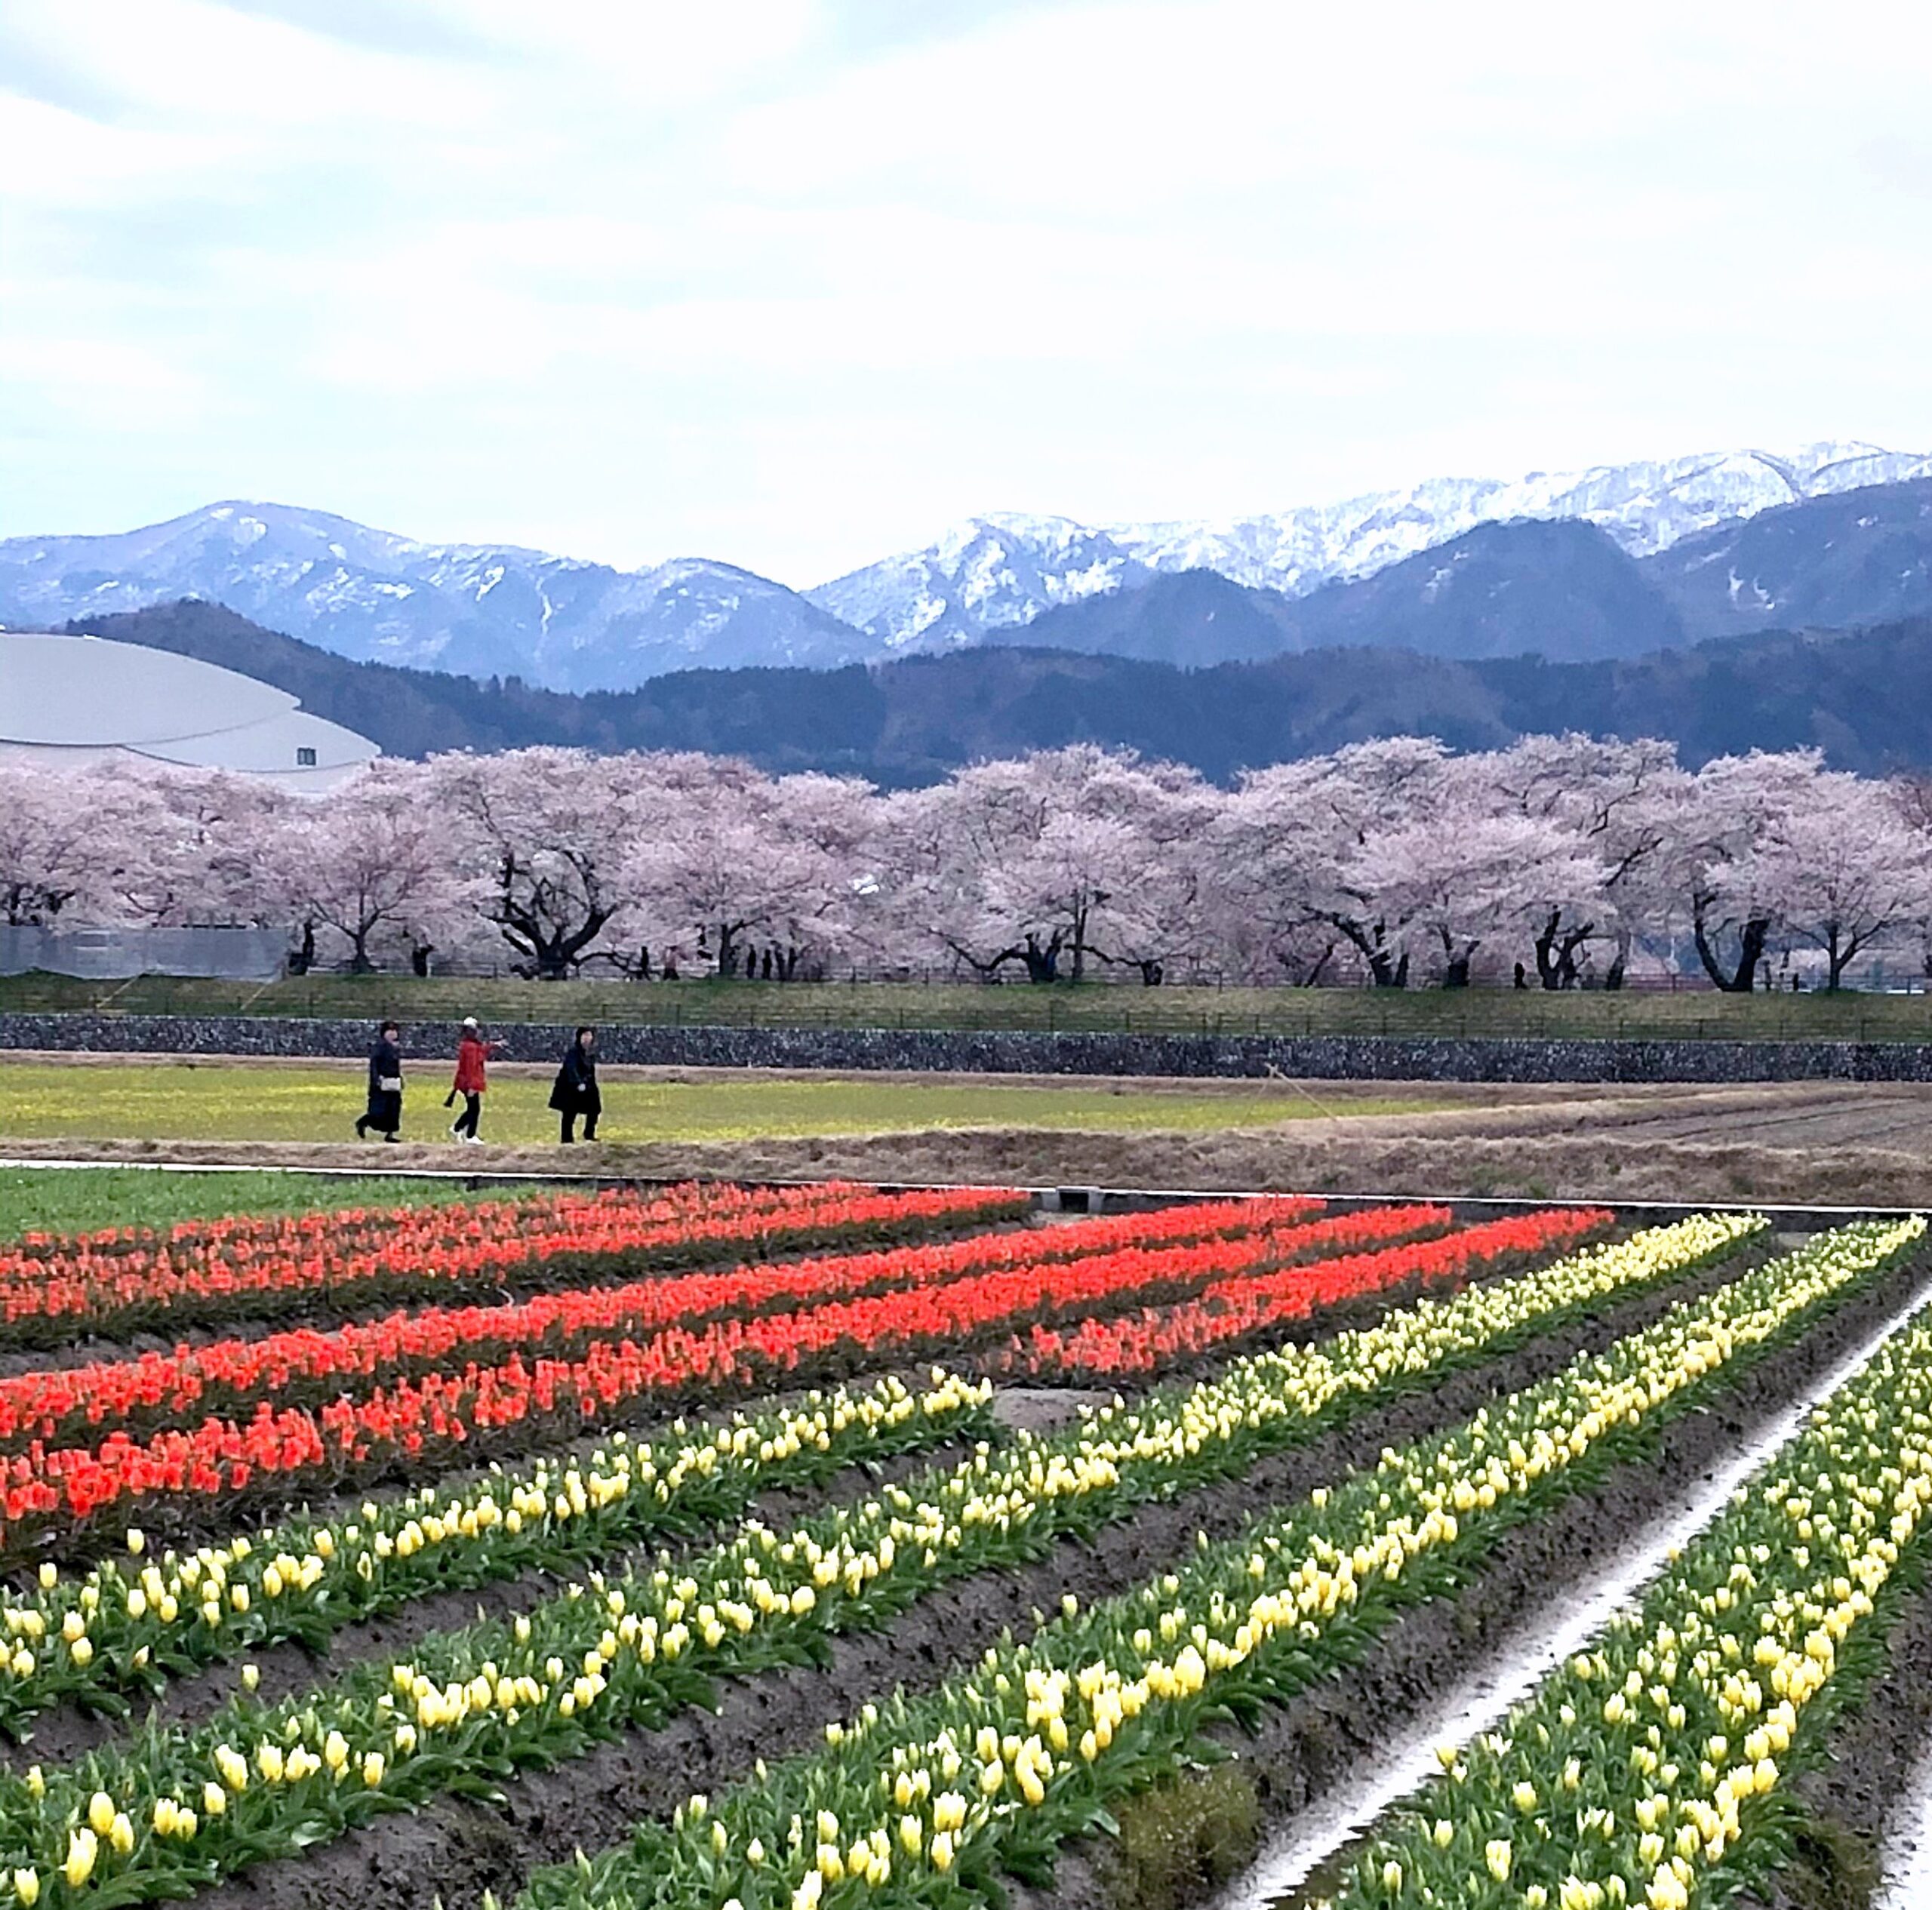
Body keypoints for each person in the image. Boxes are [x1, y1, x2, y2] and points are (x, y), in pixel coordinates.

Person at [549, 1025, 601, 1143]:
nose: (587, 1038)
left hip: (586, 1086)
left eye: (589, 1035)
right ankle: (566, 1139)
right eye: (585, 1035)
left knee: (595, 1109)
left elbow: (590, 1070)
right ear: (579, 1037)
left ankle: (589, 1135)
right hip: (570, 1088)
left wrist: (590, 1085)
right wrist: (578, 1083)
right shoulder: (574, 1052)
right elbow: (571, 1068)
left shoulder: (589, 1053)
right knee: (569, 1113)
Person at [355, 1020, 404, 1141]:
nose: (392, 1034)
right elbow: (374, 1065)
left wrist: (400, 1079)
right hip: (381, 1083)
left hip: (393, 1083)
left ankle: (390, 1134)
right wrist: (376, 1079)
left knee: (394, 1109)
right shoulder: (379, 1047)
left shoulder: (395, 1048)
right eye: (389, 1031)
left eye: (394, 1031)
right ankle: (363, 1122)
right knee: (380, 1111)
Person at [448, 1017, 494, 1143]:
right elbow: (471, 1068)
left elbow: (481, 1051)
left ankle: (458, 1128)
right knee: (475, 1109)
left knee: (473, 1108)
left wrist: (493, 1046)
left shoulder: (469, 1046)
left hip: (465, 1082)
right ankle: (470, 1135)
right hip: (469, 1083)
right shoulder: (470, 1047)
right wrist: (472, 1086)